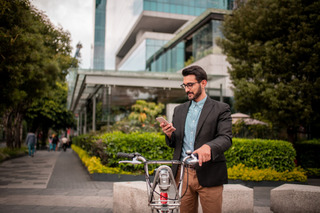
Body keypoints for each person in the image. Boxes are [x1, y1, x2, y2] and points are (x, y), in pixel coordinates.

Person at [160, 65, 232, 213]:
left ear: (203, 83)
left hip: (209, 173)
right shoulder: (179, 110)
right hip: (183, 174)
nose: (187, 89)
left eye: (190, 85)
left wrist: (209, 147)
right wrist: (169, 134)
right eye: (184, 85)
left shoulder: (221, 108)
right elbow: (175, 142)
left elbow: (226, 138)